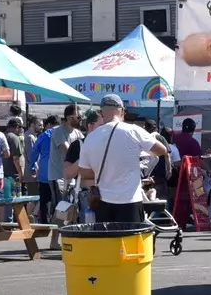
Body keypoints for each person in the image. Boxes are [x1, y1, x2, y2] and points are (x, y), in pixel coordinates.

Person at [75, 94, 168, 224]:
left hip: (103, 201)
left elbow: (84, 173)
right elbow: (161, 149)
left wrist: (107, 170)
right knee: (131, 242)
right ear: (122, 111)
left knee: (107, 243)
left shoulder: (90, 138)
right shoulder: (134, 131)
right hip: (130, 201)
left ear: (101, 113)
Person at [170, 117, 204, 230]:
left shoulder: (174, 137)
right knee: (187, 199)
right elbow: (198, 160)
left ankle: (174, 219)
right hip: (186, 175)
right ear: (194, 129)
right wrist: (207, 169)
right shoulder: (193, 142)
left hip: (172, 173)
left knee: (174, 198)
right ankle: (184, 219)